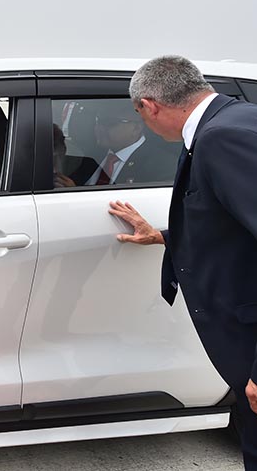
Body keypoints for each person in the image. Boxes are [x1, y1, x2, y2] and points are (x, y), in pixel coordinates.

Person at [108, 55, 257, 469]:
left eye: (139, 114)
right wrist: (163, 236)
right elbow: (234, 226)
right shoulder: (234, 120)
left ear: (149, 105)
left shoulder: (221, 139)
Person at [54, 101, 177, 187]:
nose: (99, 128)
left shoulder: (162, 165)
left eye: (109, 123)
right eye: (98, 121)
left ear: (136, 128)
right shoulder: (92, 155)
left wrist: (77, 194)